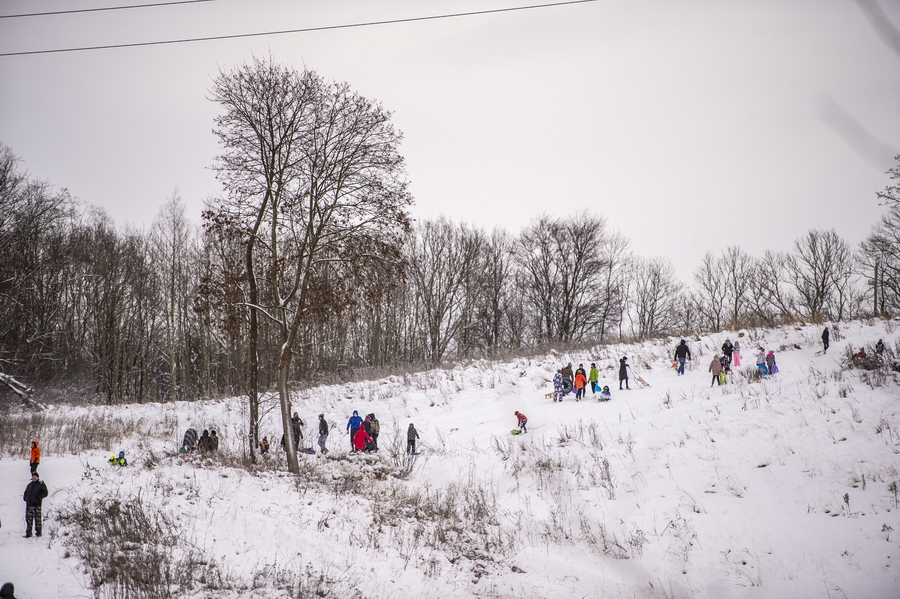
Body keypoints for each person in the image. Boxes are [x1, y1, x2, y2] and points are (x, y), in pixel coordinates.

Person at [23, 472, 48, 538]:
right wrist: (25, 498)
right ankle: (28, 533)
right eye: (33, 476)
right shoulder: (29, 485)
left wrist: (39, 498)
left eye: (35, 476)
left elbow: (45, 493)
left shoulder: (41, 484)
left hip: (37, 505)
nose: (34, 477)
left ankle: (38, 533)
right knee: (29, 519)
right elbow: (26, 492)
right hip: (29, 505)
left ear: (37, 477)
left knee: (37, 519)